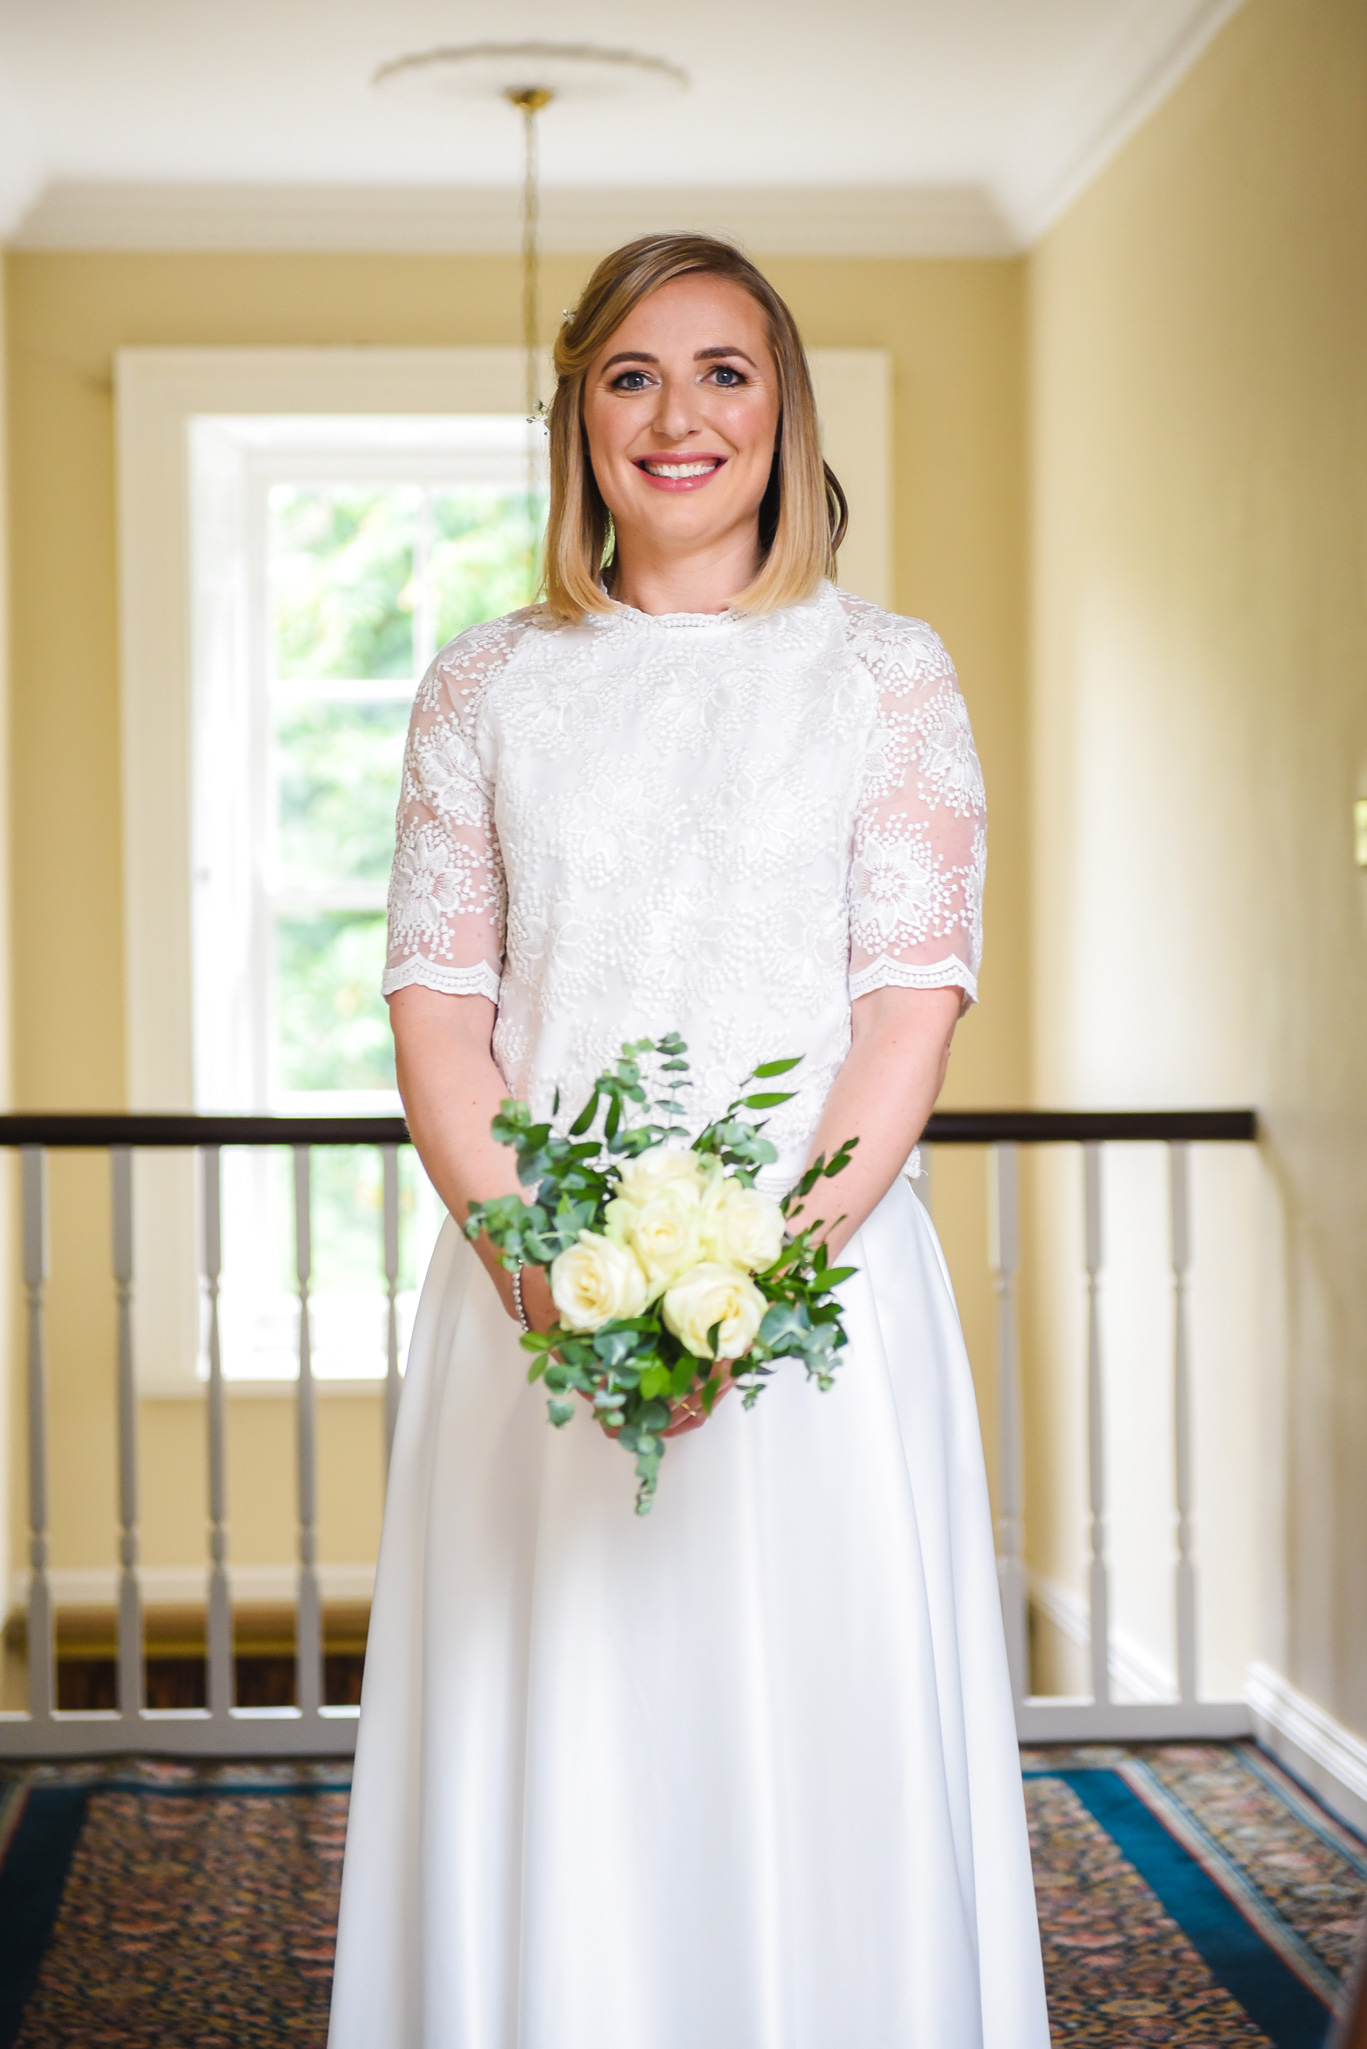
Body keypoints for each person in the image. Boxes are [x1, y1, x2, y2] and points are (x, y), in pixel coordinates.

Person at [328, 232, 1049, 2049]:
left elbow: (907, 1006)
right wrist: (544, 1276)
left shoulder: (887, 672)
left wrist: (759, 1273)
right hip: (533, 1311)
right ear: (577, 415)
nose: (678, 415)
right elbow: (440, 1012)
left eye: (724, 369)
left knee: (817, 1731)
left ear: (786, 407)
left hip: (818, 1312)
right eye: (630, 374)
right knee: (561, 1722)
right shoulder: (480, 687)